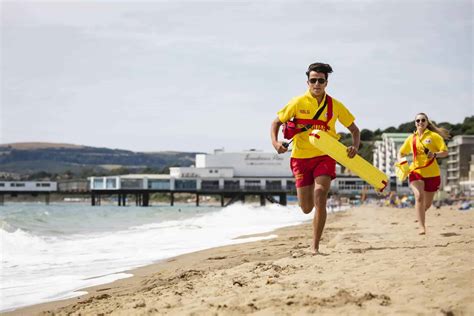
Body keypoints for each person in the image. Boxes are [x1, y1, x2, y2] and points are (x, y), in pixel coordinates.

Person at [270, 62, 360, 254]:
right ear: (307, 82)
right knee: (306, 208)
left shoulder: (335, 105)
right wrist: (276, 143)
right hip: (300, 158)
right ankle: (309, 206)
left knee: (320, 194)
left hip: (325, 155)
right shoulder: (297, 102)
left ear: (326, 83)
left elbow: (354, 129)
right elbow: (276, 122)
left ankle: (315, 246)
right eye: (313, 80)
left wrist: (355, 146)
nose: (317, 84)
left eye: (321, 80)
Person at [397, 113, 449, 235]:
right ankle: (422, 227)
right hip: (416, 171)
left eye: (423, 120)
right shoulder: (411, 138)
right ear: (415, 123)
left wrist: (435, 154)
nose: (420, 122)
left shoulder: (434, 136)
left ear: (427, 122)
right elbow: (401, 152)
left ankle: (419, 214)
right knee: (419, 196)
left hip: (432, 174)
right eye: (418, 120)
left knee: (427, 204)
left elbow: (445, 152)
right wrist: (402, 162)